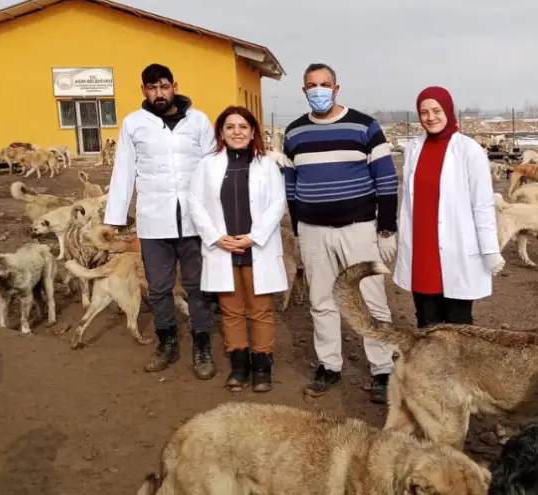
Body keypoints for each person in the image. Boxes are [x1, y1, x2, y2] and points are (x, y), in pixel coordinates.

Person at [282, 63, 398, 404]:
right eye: (312, 86)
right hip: (314, 231)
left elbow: (386, 180)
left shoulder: (365, 126)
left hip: (359, 230)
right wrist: (299, 230)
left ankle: (382, 369)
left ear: (337, 88)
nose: (319, 90)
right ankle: (329, 365)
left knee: (371, 300)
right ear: (304, 91)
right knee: (321, 301)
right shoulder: (294, 133)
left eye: (325, 84)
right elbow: (291, 187)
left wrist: (387, 227)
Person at [104, 63, 218, 377]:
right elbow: (124, 172)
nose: (159, 93)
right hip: (154, 219)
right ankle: (166, 343)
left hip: (194, 220)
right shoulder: (133, 124)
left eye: (164, 86)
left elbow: (212, 169)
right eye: (152, 88)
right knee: (159, 288)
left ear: (174, 87)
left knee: (197, 286)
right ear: (144, 90)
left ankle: (201, 345)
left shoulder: (199, 121)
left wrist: (218, 216)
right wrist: (114, 218)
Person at [188, 106, 287, 392]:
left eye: (243, 127)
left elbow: (277, 204)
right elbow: (195, 203)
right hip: (223, 247)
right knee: (231, 310)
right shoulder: (207, 166)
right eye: (230, 127)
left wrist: (254, 237)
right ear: (221, 132)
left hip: (257, 247)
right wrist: (215, 236)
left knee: (260, 310)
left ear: (253, 131)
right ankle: (239, 365)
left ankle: (262, 365)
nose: (237, 132)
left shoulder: (267, 165)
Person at [393, 86, 505, 327]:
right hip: (422, 249)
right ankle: (428, 366)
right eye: (424, 112)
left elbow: (483, 204)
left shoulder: (469, 150)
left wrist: (490, 249)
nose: (430, 117)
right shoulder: (413, 149)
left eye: (436, 110)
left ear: (449, 110)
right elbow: (409, 201)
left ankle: (460, 366)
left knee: (457, 323)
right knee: (426, 321)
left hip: (457, 247)